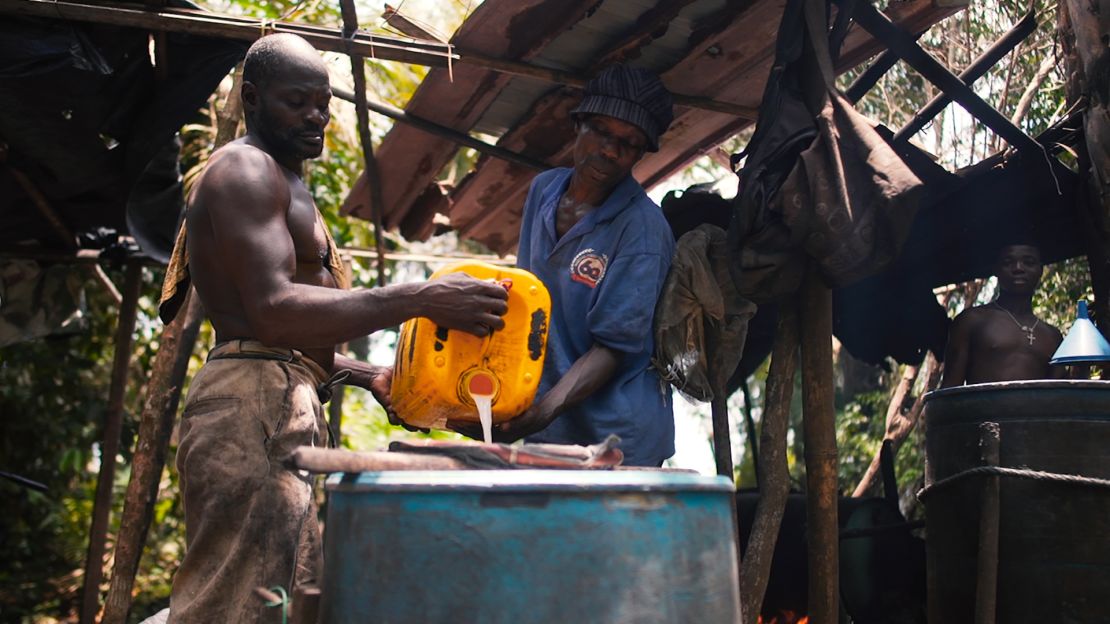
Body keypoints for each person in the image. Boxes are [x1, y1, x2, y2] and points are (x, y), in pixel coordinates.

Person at [160, 33, 509, 623]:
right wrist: (421, 296)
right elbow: (271, 310)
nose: (317, 116)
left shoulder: (286, 180)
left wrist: (364, 373)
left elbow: (274, 331)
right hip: (252, 404)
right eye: (297, 101)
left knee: (282, 600)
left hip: (277, 398)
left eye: (324, 102)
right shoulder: (245, 169)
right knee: (234, 605)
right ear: (251, 98)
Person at [454, 65, 676, 467]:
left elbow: (613, 347)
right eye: (602, 132)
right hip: (548, 422)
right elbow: (527, 302)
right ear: (578, 125)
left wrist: (542, 410)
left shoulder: (642, 228)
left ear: (641, 154)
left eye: (628, 143)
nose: (610, 150)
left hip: (617, 437)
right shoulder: (544, 189)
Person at [941, 241, 1064, 387]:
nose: (1018, 268)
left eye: (1028, 262)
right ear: (996, 269)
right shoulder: (972, 321)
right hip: (979, 410)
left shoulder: (1053, 336)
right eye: (1008, 262)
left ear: (1040, 270)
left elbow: (1058, 396)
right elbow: (950, 389)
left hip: (1036, 411)